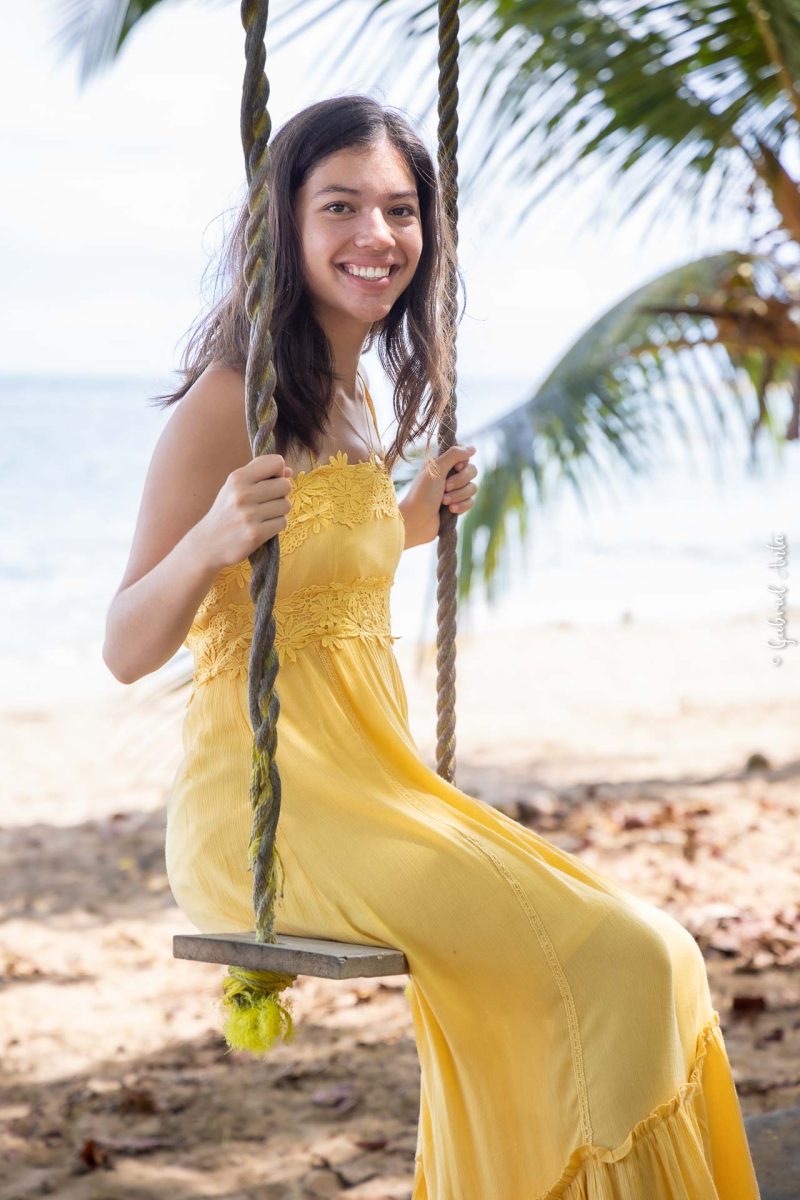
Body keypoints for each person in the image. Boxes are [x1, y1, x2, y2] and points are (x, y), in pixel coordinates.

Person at [103, 95, 760, 1199]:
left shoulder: (352, 396)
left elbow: (318, 568)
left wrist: (407, 518)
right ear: (285, 228)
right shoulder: (230, 402)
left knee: (654, 953)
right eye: (341, 206)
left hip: (375, 791)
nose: (377, 236)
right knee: (624, 961)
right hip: (267, 816)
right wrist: (211, 537)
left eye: (400, 211)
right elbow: (126, 643)